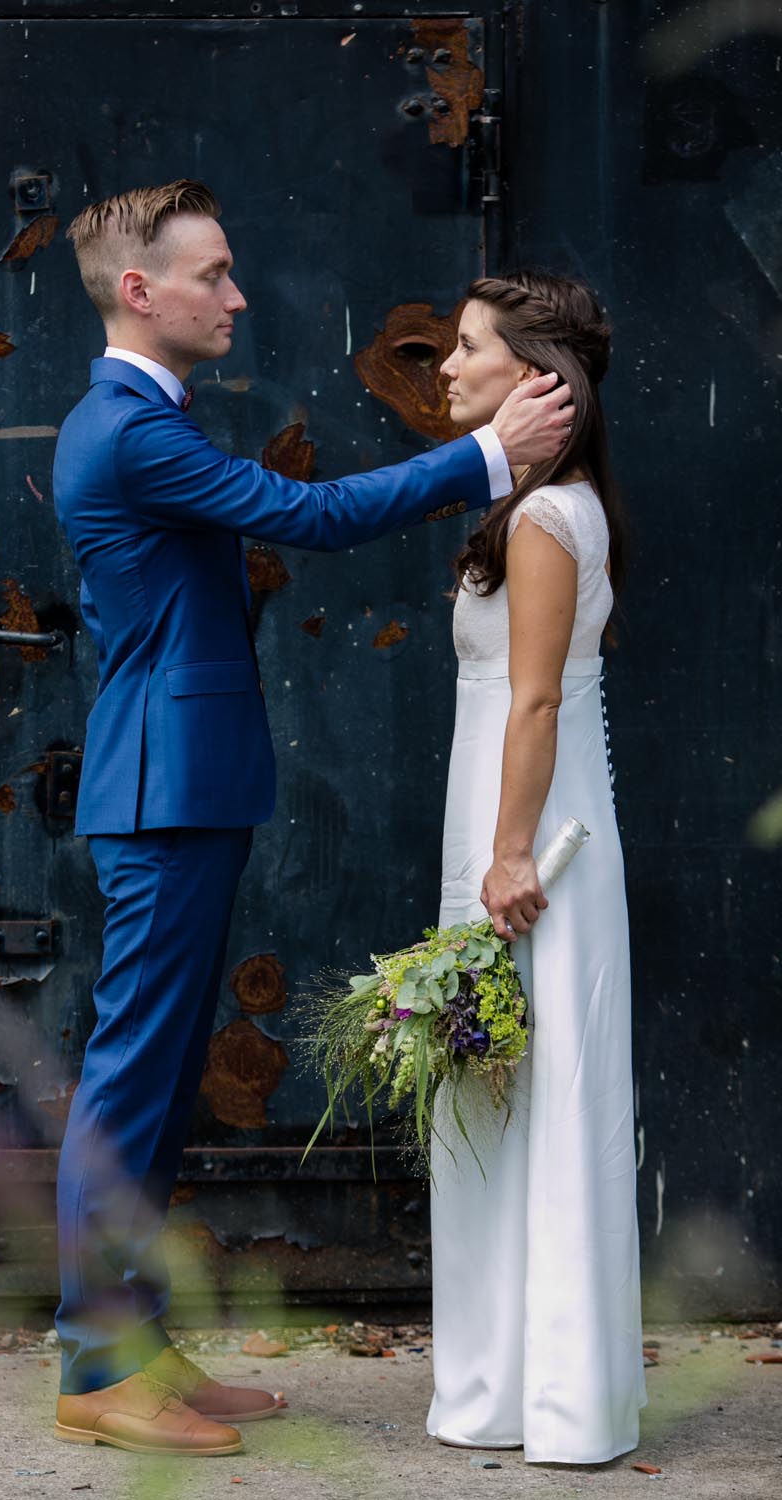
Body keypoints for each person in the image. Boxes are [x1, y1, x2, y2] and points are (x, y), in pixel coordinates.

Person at [50, 179, 574, 1459]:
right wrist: (488, 459)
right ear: (140, 290)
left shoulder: (142, 418)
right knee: (132, 1083)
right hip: (160, 792)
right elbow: (309, 517)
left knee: (163, 1086)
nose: (235, 295)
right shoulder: (127, 429)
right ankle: (91, 1363)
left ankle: (134, 1342)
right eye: (212, 274)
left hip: (183, 784)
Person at [427, 271, 645, 1464]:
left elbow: (539, 698)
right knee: (490, 1094)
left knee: (538, 1091)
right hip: (500, 828)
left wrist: (509, 856)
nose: (447, 368)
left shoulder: (550, 521)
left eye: (469, 349)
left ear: (536, 382)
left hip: (538, 844)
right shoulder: (526, 508)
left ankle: (555, 1399)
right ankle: (500, 1388)